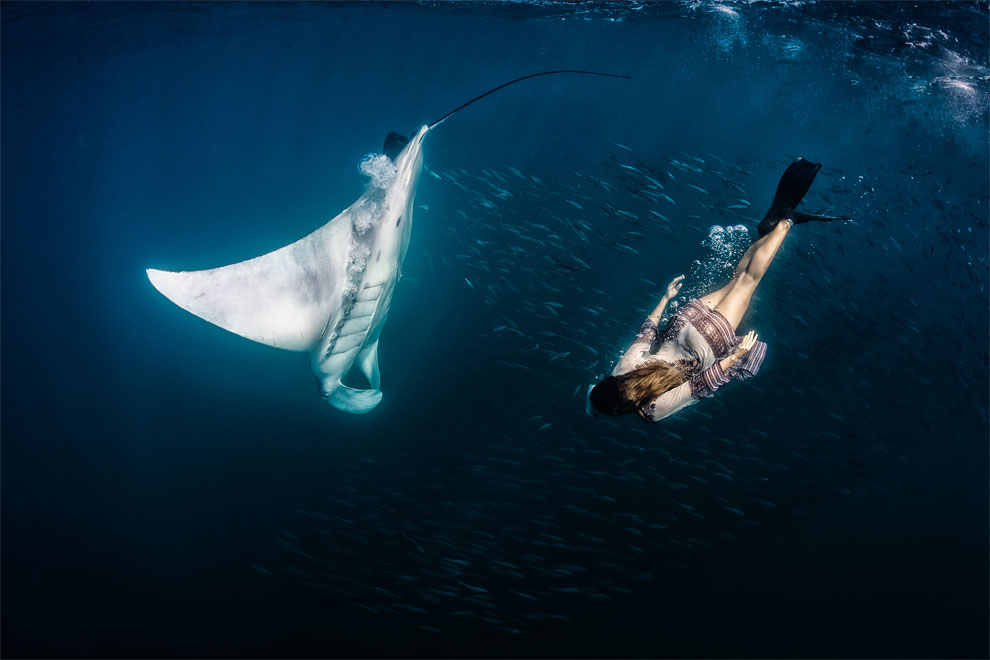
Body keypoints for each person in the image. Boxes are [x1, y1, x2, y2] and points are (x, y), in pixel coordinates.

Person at [588, 158, 845, 422]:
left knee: (747, 282)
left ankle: (785, 222)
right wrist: (665, 299)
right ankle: (769, 227)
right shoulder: (621, 370)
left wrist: (736, 356)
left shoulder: (651, 410)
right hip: (684, 321)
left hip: (709, 342)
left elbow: (701, 385)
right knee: (737, 278)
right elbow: (646, 332)